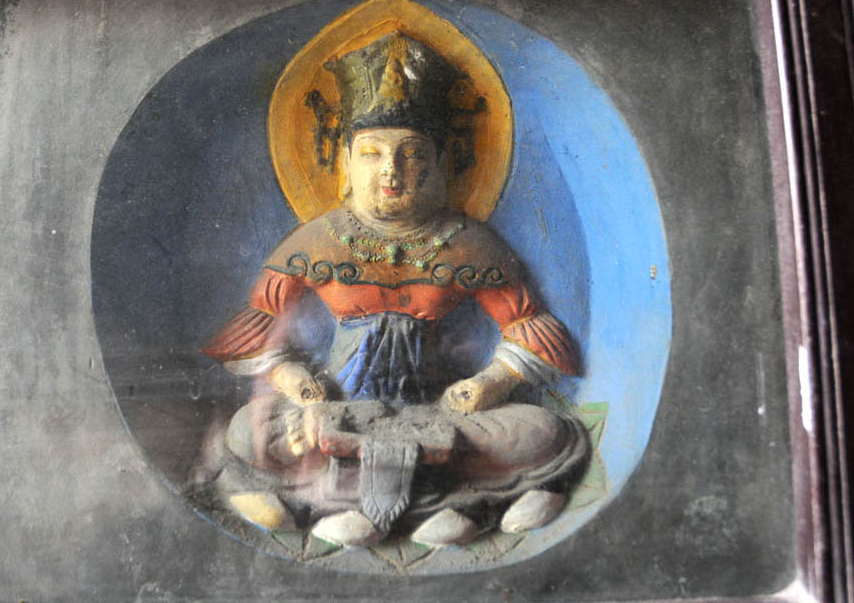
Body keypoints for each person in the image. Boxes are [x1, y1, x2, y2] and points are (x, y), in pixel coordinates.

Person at [193, 32, 589, 547]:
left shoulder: (469, 244)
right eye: (371, 153)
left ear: (440, 164)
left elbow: (527, 327)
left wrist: (489, 383)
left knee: (541, 430)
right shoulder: (317, 241)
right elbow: (258, 332)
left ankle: (337, 498)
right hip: (335, 408)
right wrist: (296, 382)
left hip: (438, 412)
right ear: (344, 164)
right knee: (249, 429)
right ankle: (447, 502)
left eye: (412, 154)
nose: (391, 171)